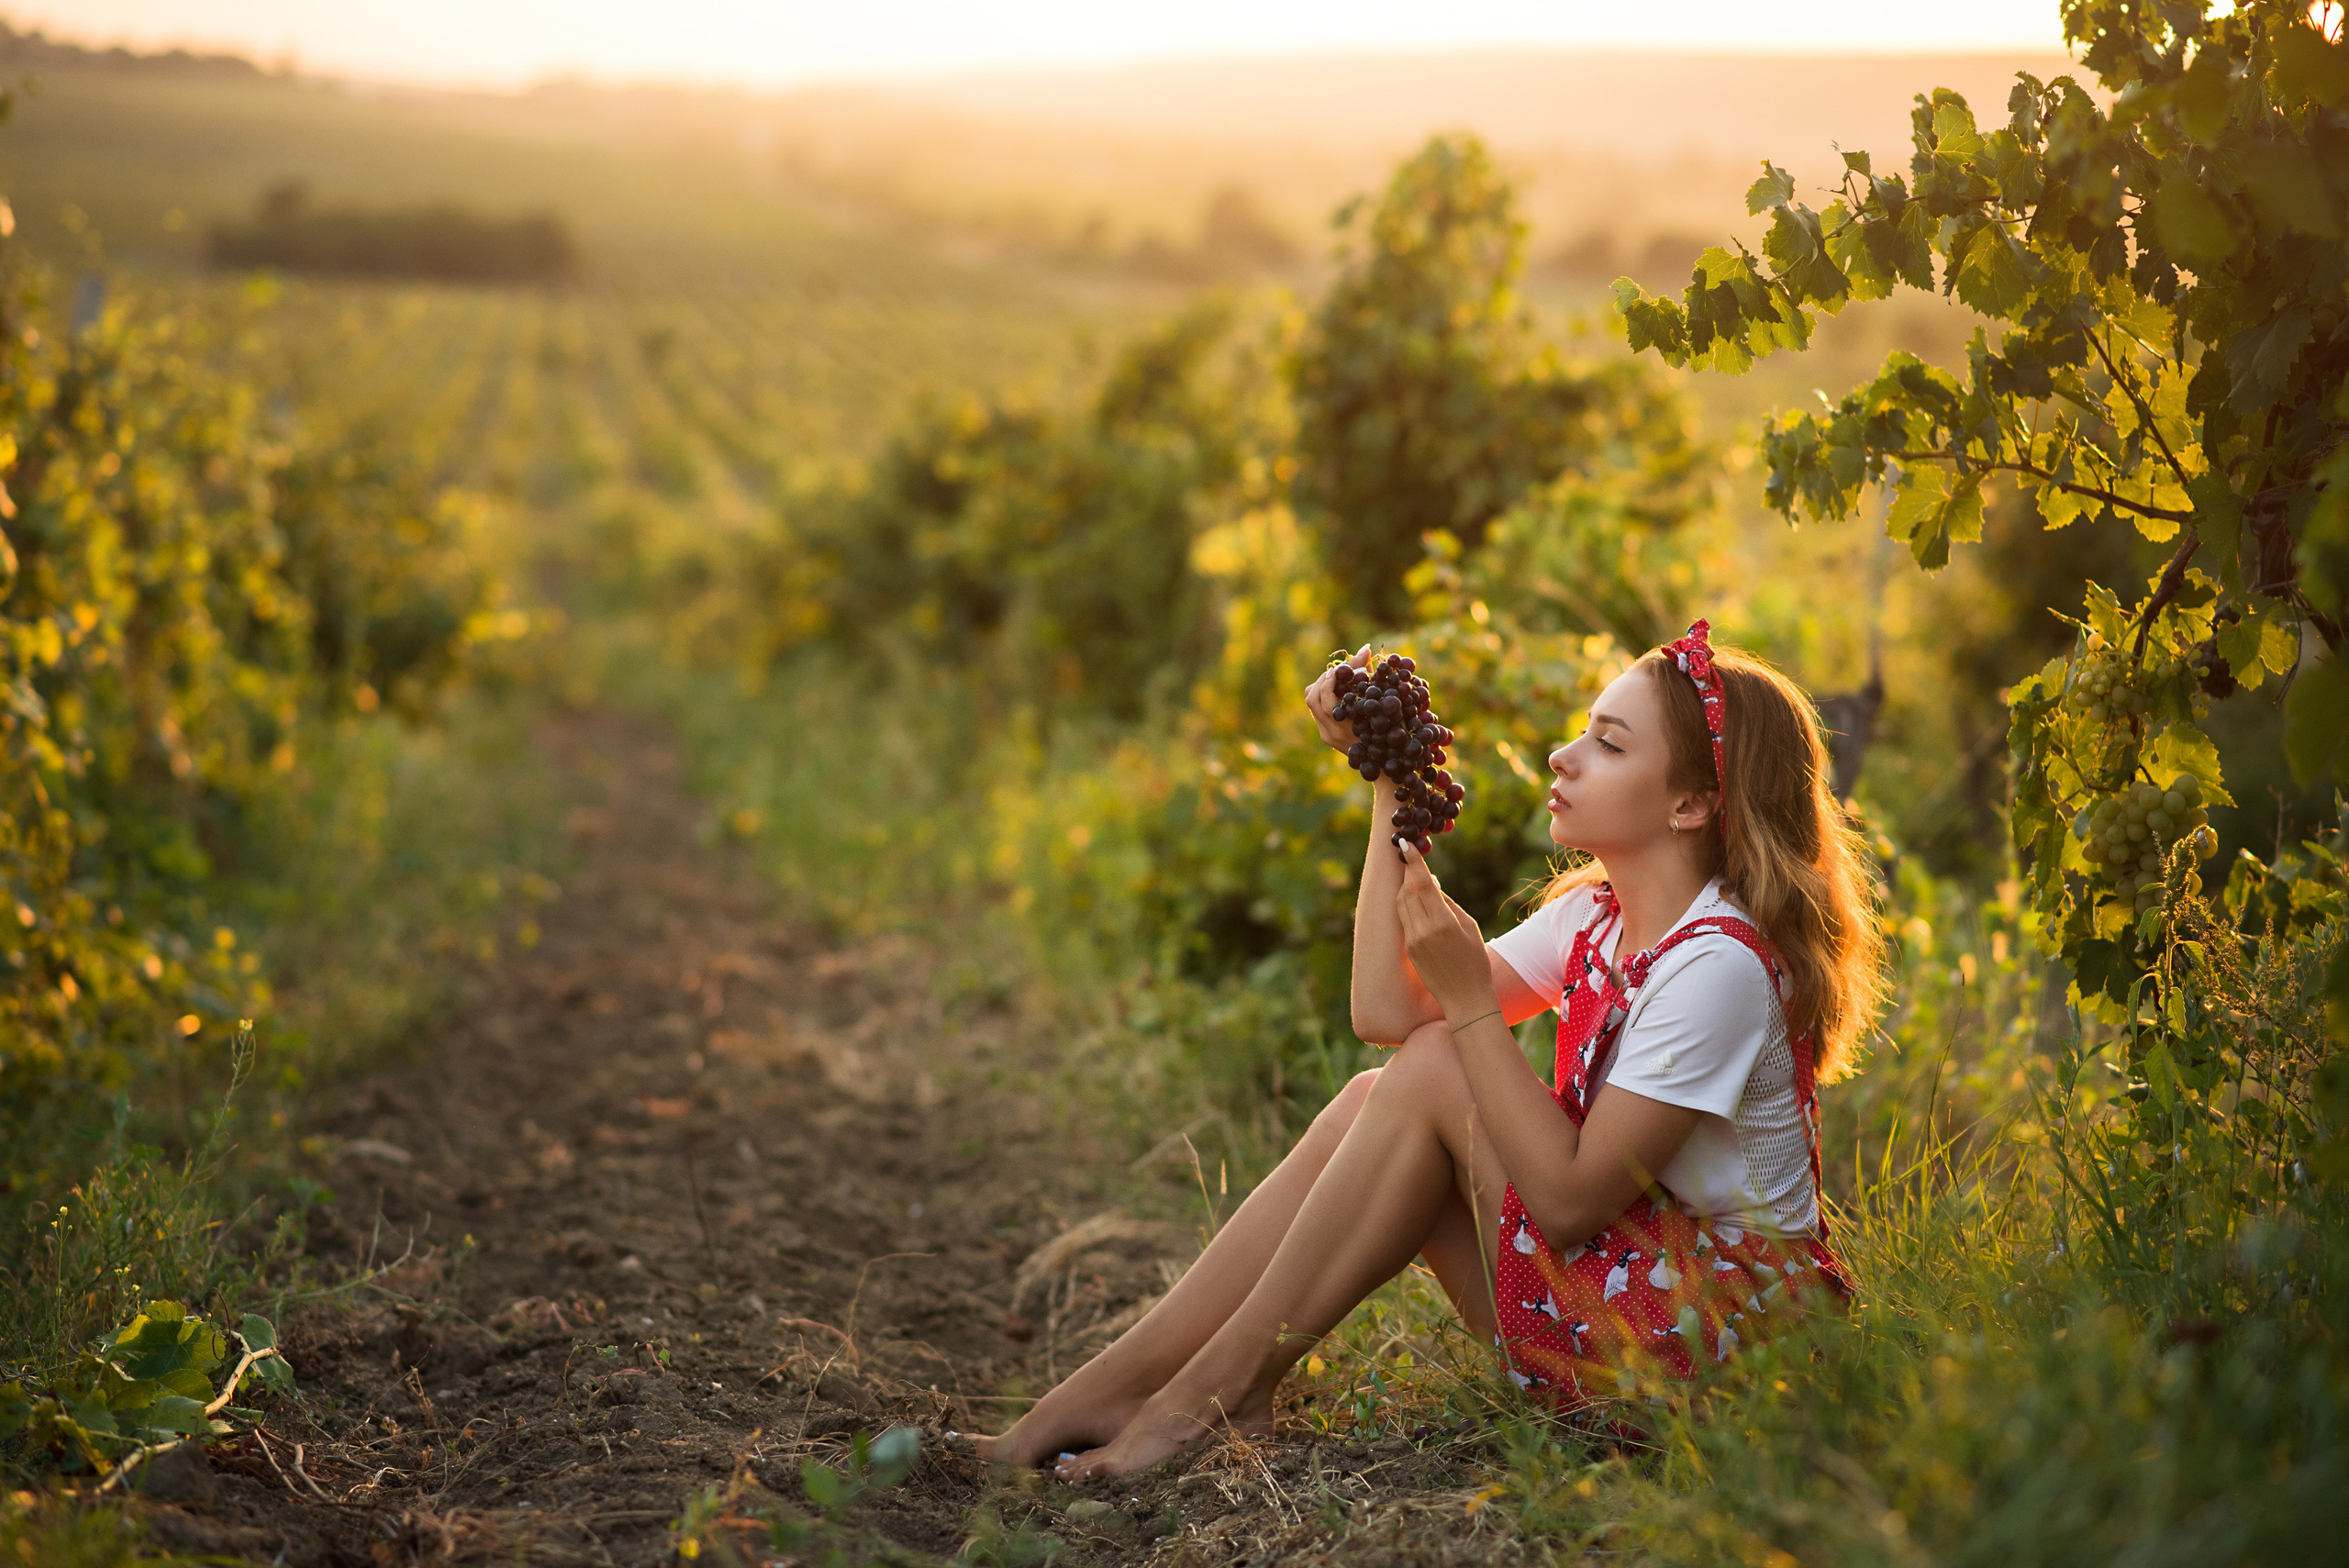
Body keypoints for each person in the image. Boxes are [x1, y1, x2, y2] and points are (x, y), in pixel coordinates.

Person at [970, 622, 1885, 1479]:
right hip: (1626, 1299)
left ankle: (1209, 1396)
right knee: (1383, 1085)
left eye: (1609, 743)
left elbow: (1565, 1201)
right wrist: (1389, 790)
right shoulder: (1594, 914)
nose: (1564, 756)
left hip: (1721, 1362)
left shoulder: (1718, 965)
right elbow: (1382, 1007)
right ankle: (1115, 1392)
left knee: (1439, 1060)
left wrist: (1465, 1002)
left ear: (1689, 803)